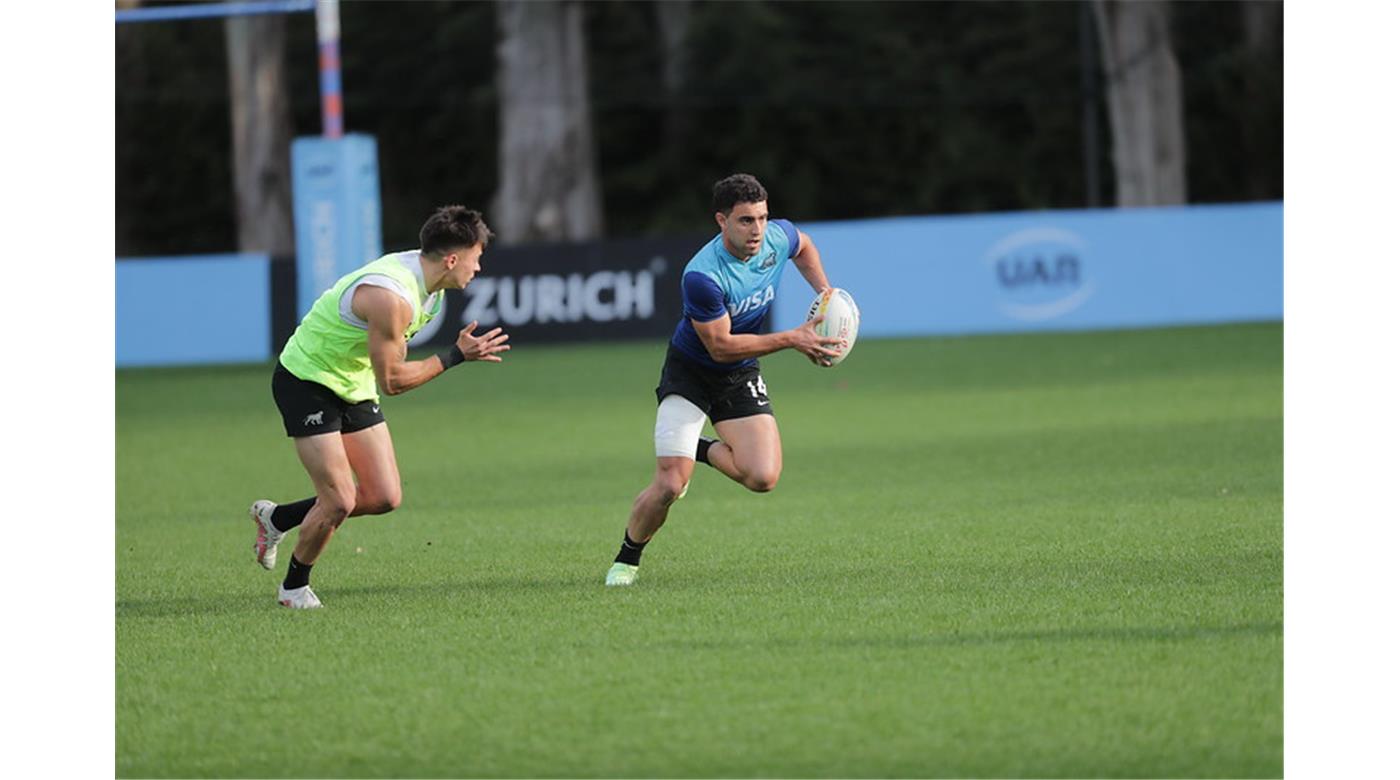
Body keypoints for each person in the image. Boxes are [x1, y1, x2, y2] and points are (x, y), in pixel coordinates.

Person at [249, 205, 510, 608]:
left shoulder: (432, 289)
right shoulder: (392, 297)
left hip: (353, 382)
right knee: (338, 501)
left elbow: (387, 364)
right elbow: (392, 382)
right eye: (475, 258)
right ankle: (294, 588)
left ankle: (277, 518)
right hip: (307, 380)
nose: (478, 268)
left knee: (383, 496)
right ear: (452, 259)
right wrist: (455, 356)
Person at [605, 173, 843, 586]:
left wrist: (825, 294)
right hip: (691, 372)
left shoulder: (776, 238)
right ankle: (626, 560)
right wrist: (791, 338)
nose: (757, 230)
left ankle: (695, 448)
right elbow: (720, 347)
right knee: (669, 484)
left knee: (763, 477)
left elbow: (803, 245)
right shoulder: (703, 276)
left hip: (739, 371)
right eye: (746, 220)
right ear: (722, 220)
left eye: (762, 218)